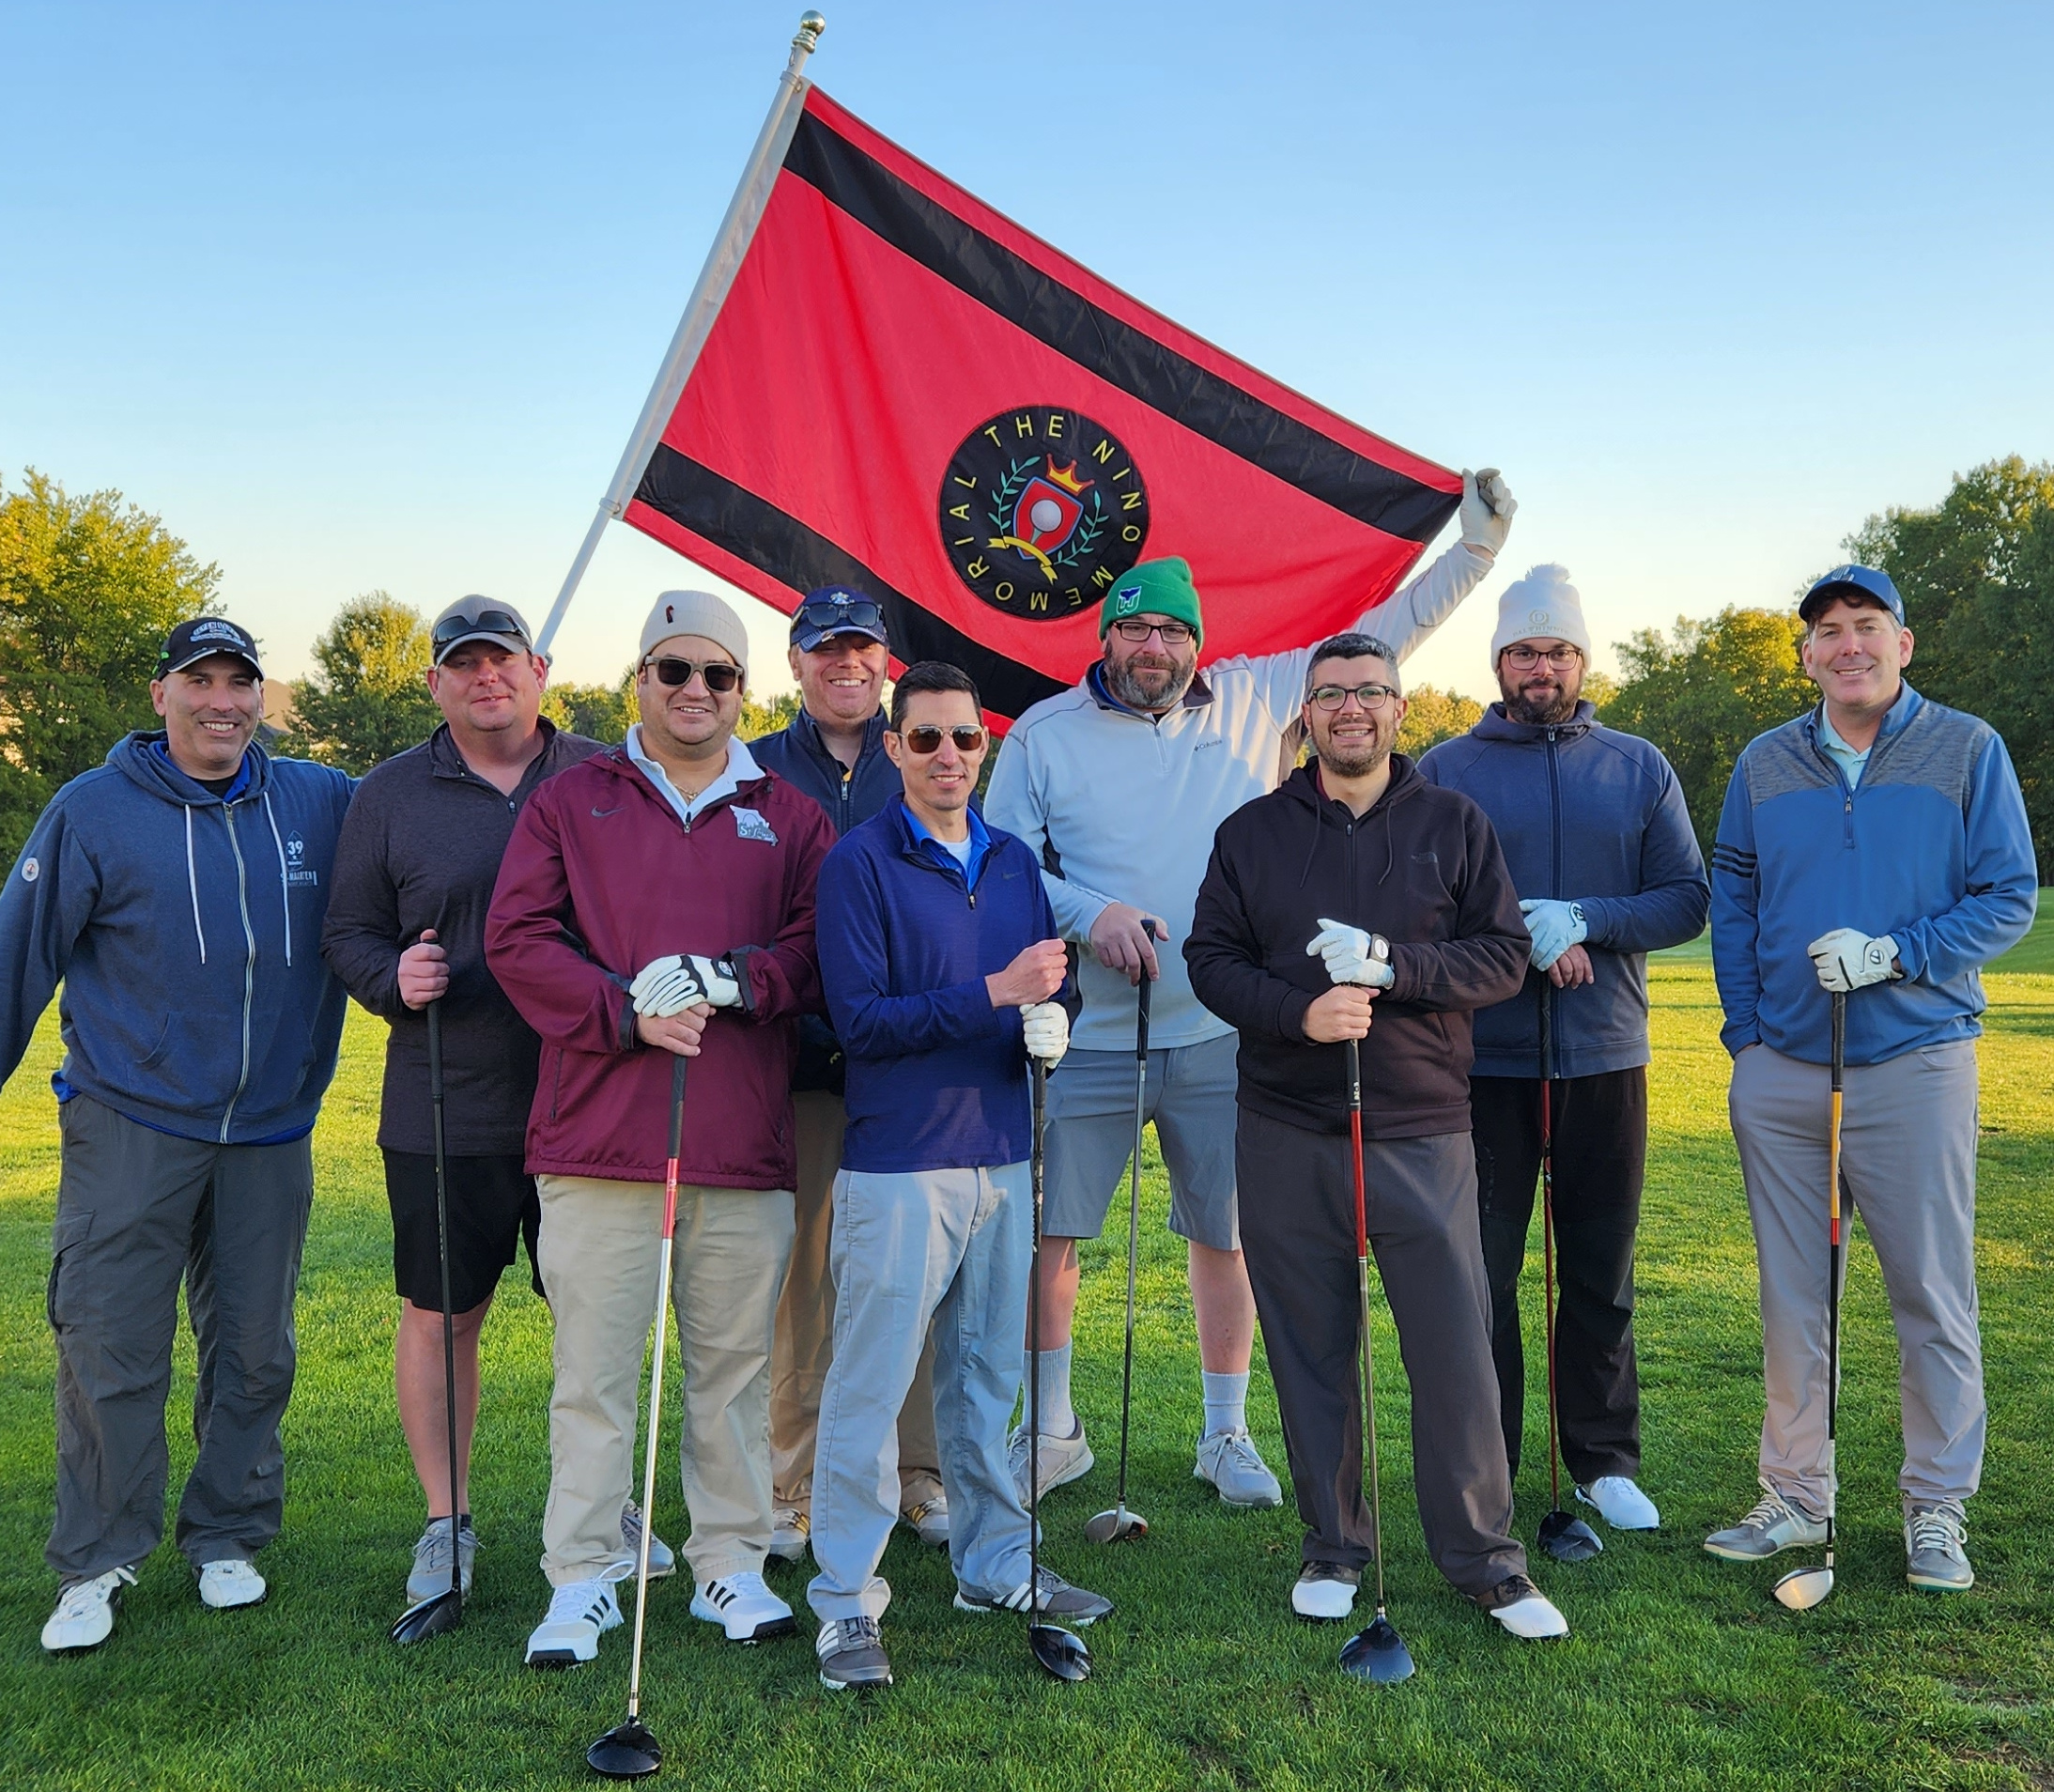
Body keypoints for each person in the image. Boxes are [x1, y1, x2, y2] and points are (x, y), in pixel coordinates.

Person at [984, 471, 1518, 1509]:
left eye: (1171, 633)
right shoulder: (1044, 733)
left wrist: (1477, 554)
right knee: (1053, 1237)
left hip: (1229, 1031)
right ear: (1108, 641)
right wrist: (1088, 911)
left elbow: (1384, 637)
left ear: (1196, 641)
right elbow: (1006, 864)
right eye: (1134, 632)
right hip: (1093, 1031)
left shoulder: (1259, 693)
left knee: (1224, 1237)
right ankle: (1051, 1430)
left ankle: (1224, 1434)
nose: (1154, 650)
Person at [1186, 631, 1569, 1641]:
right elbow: (1211, 959)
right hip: (1285, 1124)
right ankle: (1335, 1545)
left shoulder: (1454, 822)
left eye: (1370, 692)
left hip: (1421, 1125)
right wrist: (1299, 1013)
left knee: (1453, 1353)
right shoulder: (1252, 832)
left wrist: (1397, 968)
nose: (1349, 708)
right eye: (1329, 695)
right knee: (1314, 1347)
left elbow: (1499, 957)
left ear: (1403, 709)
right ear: (1303, 715)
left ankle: (1488, 1561)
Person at [485, 590, 836, 1665]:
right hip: (599, 1141)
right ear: (637, 679)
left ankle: (728, 1562)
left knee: (729, 1375)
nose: (694, 691)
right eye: (672, 671)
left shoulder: (790, 811)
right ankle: (583, 1575)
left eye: (717, 676)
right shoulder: (571, 797)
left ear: (745, 691)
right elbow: (517, 939)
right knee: (593, 1378)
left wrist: (736, 982)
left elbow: (820, 945)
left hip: (738, 1145)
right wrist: (624, 1014)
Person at [0, 618, 353, 1654]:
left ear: (260, 698)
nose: (221, 702)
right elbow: (16, 959)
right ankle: (97, 1559)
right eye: (198, 681)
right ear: (161, 696)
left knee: (253, 1350)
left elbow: (427, 826)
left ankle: (227, 1535)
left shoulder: (319, 803)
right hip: (132, 1120)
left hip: (271, 1130)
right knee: (111, 1344)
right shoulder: (92, 812)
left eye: (239, 683)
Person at [321, 597, 676, 1605]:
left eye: (504, 659)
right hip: (450, 1101)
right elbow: (346, 931)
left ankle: (605, 1507)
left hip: (595, 1094)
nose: (487, 677)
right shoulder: (390, 793)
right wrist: (396, 979)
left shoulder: (610, 775)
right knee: (444, 1316)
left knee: (596, 1319)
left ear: (542, 668)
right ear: (434, 682)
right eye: (463, 664)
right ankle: (448, 1521)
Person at [1705, 564, 2034, 1592]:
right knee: (1795, 1297)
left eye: (1867, 626)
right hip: (1783, 1069)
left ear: (1904, 644)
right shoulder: (1765, 762)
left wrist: (1898, 953)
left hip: (1915, 1061)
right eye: (1828, 632)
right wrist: (1748, 1037)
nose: (1847, 644)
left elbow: (2008, 896)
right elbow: (1734, 902)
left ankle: (1936, 1508)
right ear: (1806, 655)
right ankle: (1798, 1496)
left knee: (1930, 1292)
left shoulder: (1967, 748)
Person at [805, 661, 1110, 1691]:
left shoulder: (1016, 862)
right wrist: (996, 992)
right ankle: (847, 1602)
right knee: (870, 1383)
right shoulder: (858, 864)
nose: (947, 756)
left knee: (987, 1378)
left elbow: (1050, 991)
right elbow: (860, 1024)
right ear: (892, 747)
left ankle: (993, 1564)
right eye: (925, 738)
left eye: (965, 740)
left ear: (987, 748)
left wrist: (1054, 1023)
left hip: (1006, 1148)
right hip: (900, 1163)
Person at [1419, 566, 1707, 1534]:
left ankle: (1604, 1457)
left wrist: (1587, 919)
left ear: (1583, 660)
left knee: (1598, 1266)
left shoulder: (1638, 765)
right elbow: (1419, 906)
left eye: (1557, 650)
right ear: (1498, 662)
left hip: (1603, 1056)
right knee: (1482, 1274)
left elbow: (1684, 898)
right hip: (1482, 1063)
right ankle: (1487, 1456)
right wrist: (1515, 938)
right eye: (1523, 651)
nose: (1540, 667)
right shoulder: (1446, 770)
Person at [749, 586, 947, 1562]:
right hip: (800, 1065)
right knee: (807, 1284)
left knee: (911, 1280)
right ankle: (794, 1486)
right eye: (825, 649)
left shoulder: (922, 753)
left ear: (886, 663)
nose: (846, 664)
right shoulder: (755, 771)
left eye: (862, 648)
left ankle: (920, 1475)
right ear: (797, 664)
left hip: (907, 1065)